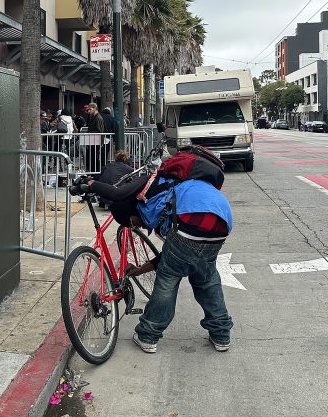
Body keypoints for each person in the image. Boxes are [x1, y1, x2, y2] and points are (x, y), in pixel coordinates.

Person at [87, 146, 233, 355]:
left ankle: (148, 335)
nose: (135, 226)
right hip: (221, 221)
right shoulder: (176, 185)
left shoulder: (148, 181)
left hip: (190, 220)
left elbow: (117, 193)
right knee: (207, 279)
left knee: (167, 281)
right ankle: (221, 336)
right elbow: (176, 255)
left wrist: (92, 184)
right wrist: (139, 270)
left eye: (131, 222)